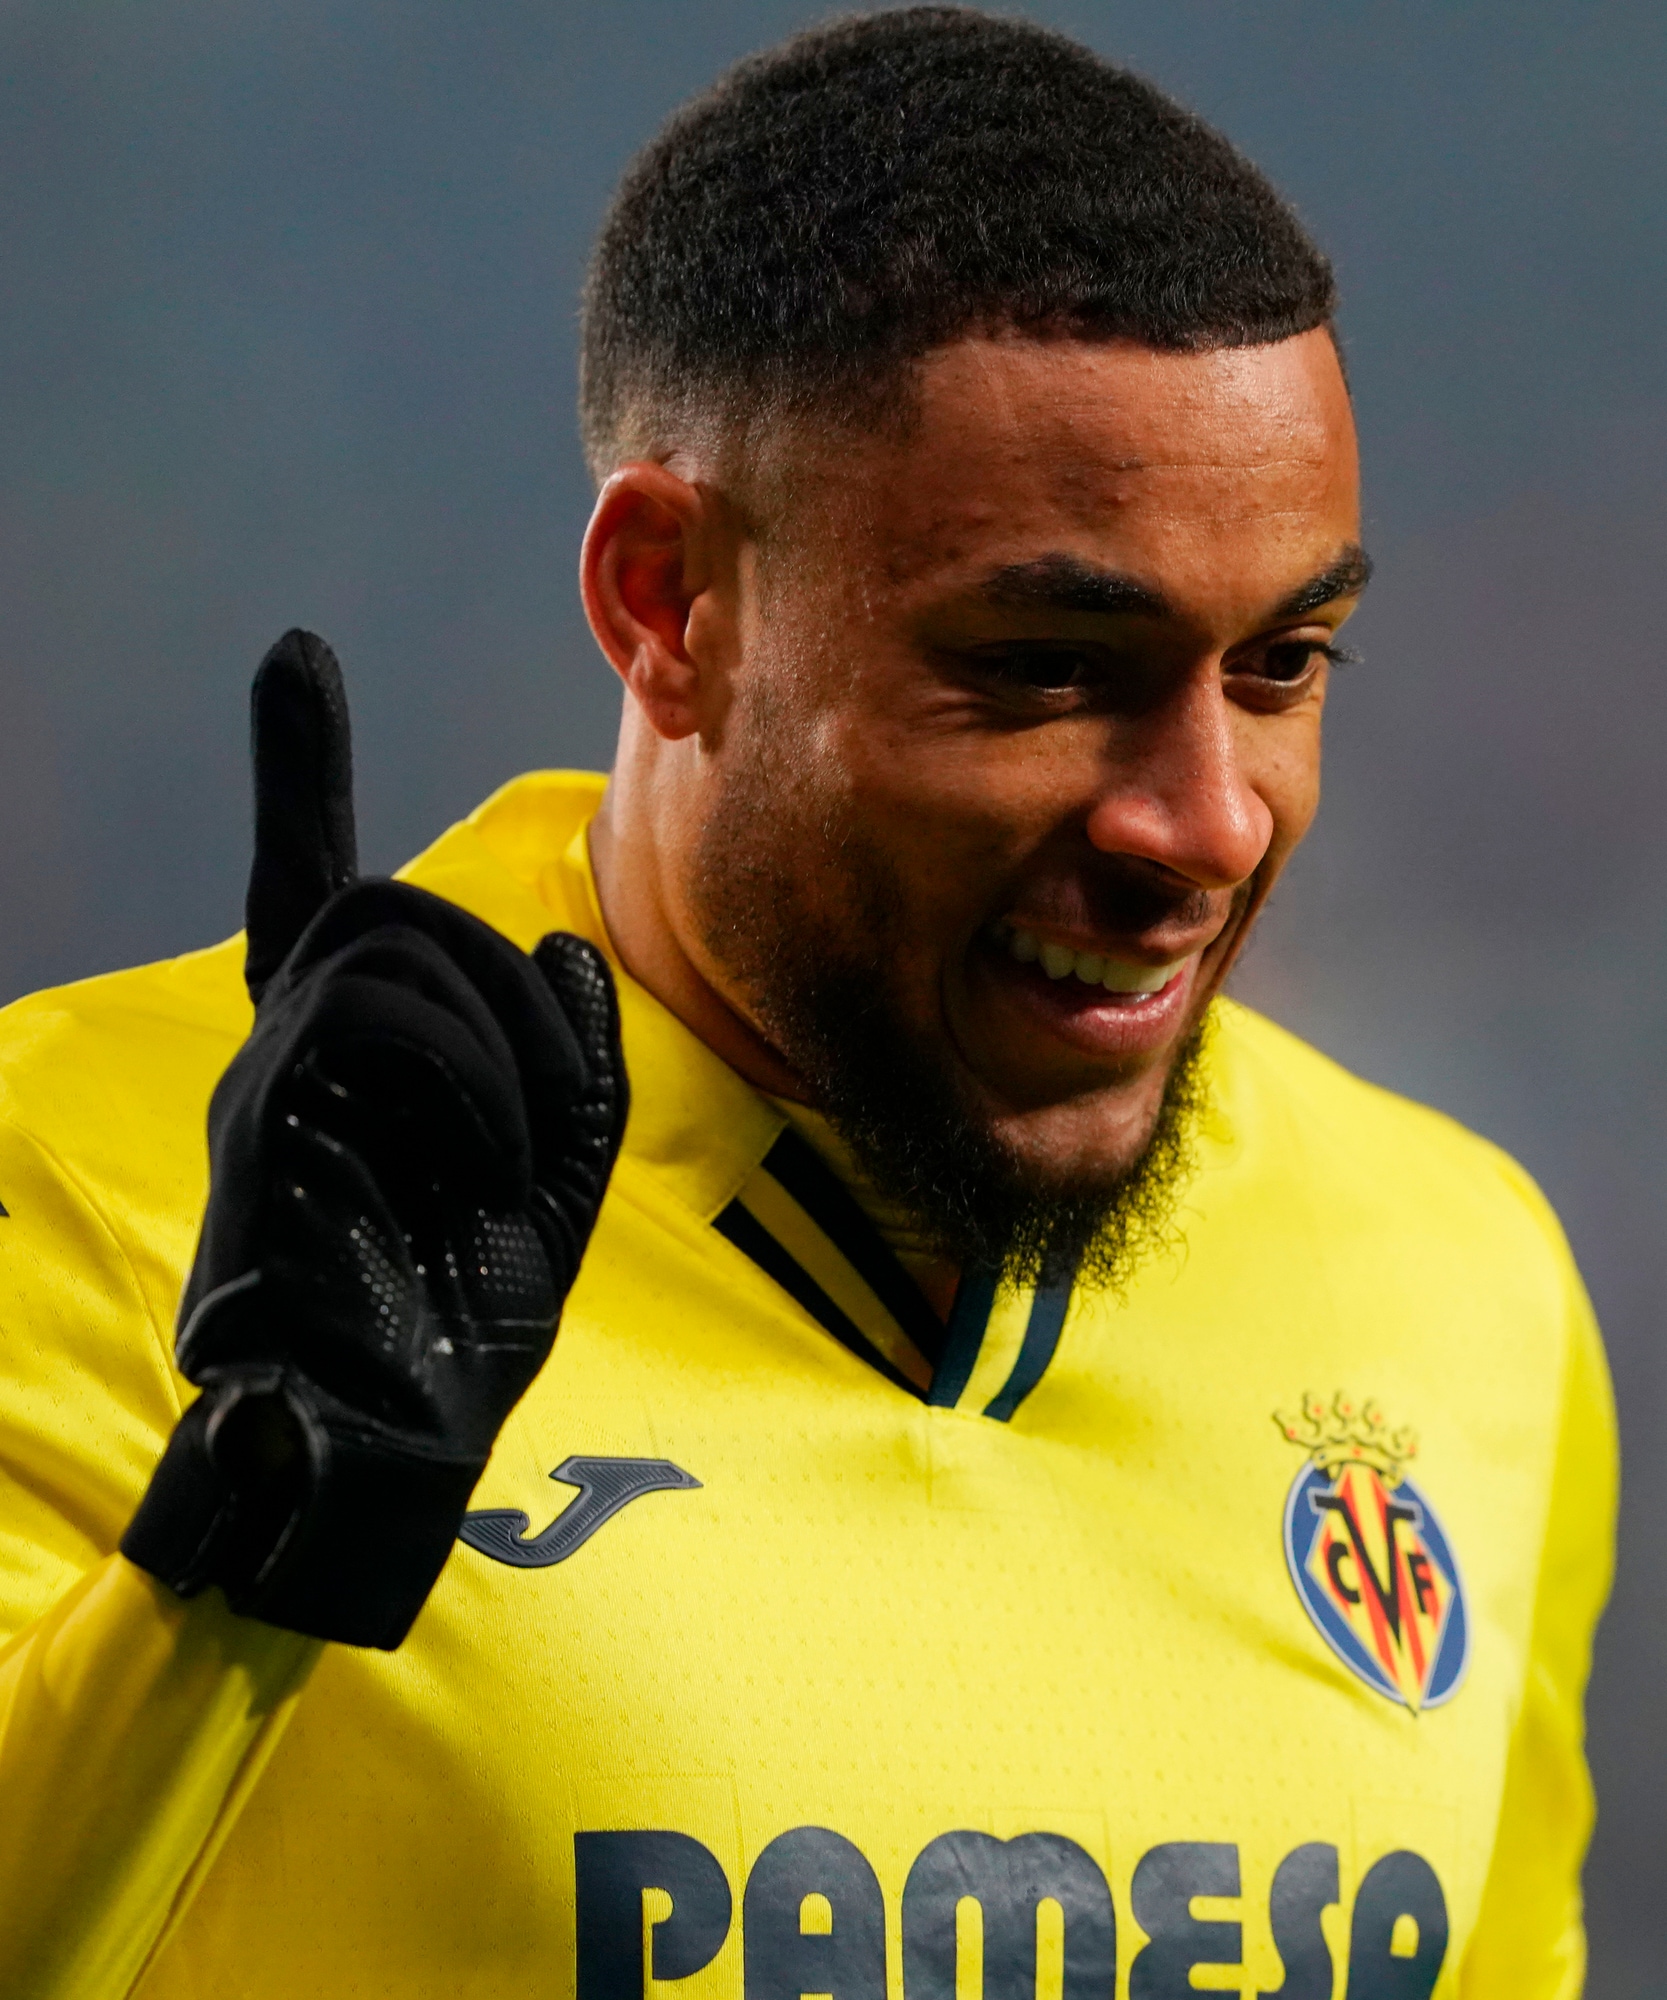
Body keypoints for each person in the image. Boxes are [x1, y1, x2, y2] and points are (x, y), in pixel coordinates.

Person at [0, 9, 1614, 1996]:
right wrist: (250, 1541)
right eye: (1042, 668)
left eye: (1281, 665)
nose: (1205, 823)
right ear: (670, 603)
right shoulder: (74, 1190)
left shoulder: (1462, 1281)